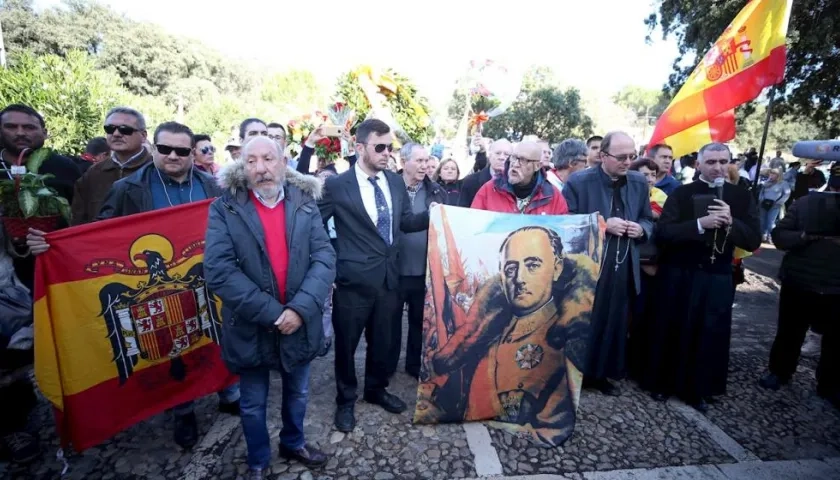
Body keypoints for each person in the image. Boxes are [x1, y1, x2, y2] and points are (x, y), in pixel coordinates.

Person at [30, 121, 242, 448]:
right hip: (161, 289)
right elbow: (101, 236)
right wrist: (56, 246)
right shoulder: (128, 188)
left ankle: (229, 392)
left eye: (182, 150)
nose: (173, 155)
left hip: (207, 279)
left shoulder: (211, 185)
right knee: (176, 345)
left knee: (217, 334)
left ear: (191, 154)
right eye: (166, 148)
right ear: (153, 148)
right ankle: (182, 409)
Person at [205, 136, 335, 477]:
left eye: (268, 159)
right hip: (251, 324)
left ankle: (293, 442)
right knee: (251, 403)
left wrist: (299, 309)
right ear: (241, 165)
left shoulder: (304, 202)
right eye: (251, 161)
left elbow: (324, 257)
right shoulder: (225, 207)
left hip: (300, 320)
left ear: (283, 161)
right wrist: (274, 313)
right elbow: (219, 270)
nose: (261, 168)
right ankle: (259, 460)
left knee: (298, 392)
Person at [317, 119, 431, 433]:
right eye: (379, 147)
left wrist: (432, 214)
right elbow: (316, 228)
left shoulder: (394, 182)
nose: (386, 154)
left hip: (389, 281)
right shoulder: (336, 186)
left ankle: (376, 388)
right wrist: (336, 264)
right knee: (347, 345)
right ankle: (345, 398)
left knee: (383, 340)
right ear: (359, 148)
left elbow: (405, 222)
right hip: (352, 283)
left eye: (390, 148)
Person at [640, 143, 761, 411]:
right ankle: (662, 383)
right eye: (711, 162)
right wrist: (699, 225)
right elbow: (665, 234)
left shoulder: (741, 197)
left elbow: (753, 239)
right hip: (679, 274)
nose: (717, 167)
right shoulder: (682, 194)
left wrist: (732, 223)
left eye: (723, 161)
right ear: (699, 164)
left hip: (716, 276)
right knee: (671, 329)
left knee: (708, 334)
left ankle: (699, 389)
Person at [562, 131, 654, 396]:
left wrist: (641, 229)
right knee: (584, 318)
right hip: (588, 264)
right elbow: (566, 220)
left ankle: (602, 374)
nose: (628, 162)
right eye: (621, 157)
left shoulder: (637, 183)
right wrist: (602, 224)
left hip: (623, 264)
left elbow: (648, 219)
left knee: (614, 320)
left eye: (632, 156)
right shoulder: (580, 181)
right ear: (603, 156)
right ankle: (576, 373)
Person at [759, 164, 840, 411]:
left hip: (836, 288)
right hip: (799, 282)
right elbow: (780, 236)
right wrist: (805, 236)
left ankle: (829, 385)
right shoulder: (805, 204)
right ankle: (780, 372)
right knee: (790, 332)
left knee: (836, 341)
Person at [386, 143, 447, 379]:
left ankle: (414, 365)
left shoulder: (436, 191)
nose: (425, 166)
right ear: (403, 162)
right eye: (419, 161)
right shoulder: (388, 187)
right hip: (394, 269)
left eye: (426, 161)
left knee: (419, 322)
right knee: (389, 322)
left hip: (424, 268)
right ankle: (387, 365)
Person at [471, 140, 569, 215]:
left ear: (538, 166)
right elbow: (474, 226)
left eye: (523, 160)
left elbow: (561, 235)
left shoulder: (552, 196)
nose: (515, 164)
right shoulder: (489, 189)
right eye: (514, 157)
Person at [459, 139, 512, 207]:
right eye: (498, 153)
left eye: (506, 154)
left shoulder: (516, 183)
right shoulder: (470, 181)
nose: (502, 157)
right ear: (490, 155)